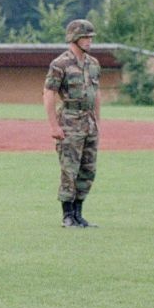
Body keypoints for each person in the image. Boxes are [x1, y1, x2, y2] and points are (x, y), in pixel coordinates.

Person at [43, 18, 101, 229]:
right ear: (73, 38)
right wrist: (54, 126)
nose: (88, 41)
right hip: (69, 122)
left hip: (89, 123)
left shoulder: (93, 64)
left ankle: (79, 213)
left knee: (88, 169)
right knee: (70, 169)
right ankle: (67, 215)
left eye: (90, 37)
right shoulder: (60, 64)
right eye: (85, 37)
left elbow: (96, 93)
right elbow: (49, 93)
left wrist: (97, 121)